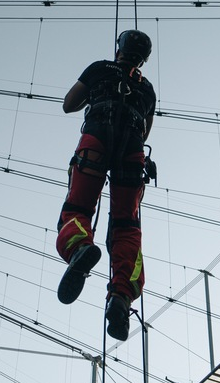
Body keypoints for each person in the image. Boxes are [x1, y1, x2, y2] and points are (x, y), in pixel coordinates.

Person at [55, 29, 156, 341]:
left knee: (78, 207)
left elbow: (68, 104)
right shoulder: (147, 89)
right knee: (127, 225)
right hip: (133, 153)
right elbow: (146, 131)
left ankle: (80, 248)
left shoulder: (99, 68)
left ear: (119, 48)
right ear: (143, 59)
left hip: (96, 139)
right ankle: (121, 296)